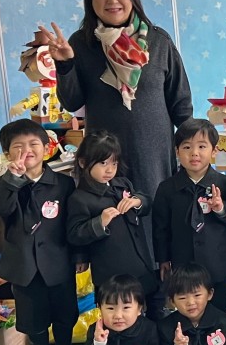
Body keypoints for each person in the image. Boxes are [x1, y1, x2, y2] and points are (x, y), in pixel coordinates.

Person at [42, 0, 193, 239]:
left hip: (153, 160)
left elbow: (181, 106)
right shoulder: (81, 44)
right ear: (90, 0)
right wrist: (64, 65)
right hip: (104, 161)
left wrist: (192, 154)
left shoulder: (158, 41)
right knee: (114, 232)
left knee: (156, 229)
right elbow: (72, 102)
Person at [0, 119, 78, 345]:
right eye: (18, 146)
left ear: (47, 148)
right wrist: (12, 179)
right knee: (32, 316)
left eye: (33, 144)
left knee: (64, 313)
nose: (26, 150)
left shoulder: (63, 183)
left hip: (58, 261)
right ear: (7, 154)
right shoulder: (4, 185)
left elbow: (73, 223)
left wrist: (79, 256)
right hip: (24, 265)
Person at [153, 118, 226, 313]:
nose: (194, 153)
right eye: (186, 147)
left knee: (221, 313)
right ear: (177, 152)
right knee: (187, 311)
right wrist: (163, 259)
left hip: (218, 265)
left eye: (202, 146)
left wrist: (221, 208)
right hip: (182, 263)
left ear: (214, 151)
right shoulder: (167, 188)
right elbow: (160, 227)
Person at [66, 131, 159, 318]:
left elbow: (147, 202)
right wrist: (99, 223)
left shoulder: (122, 184)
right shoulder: (80, 198)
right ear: (83, 163)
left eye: (114, 163)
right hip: (111, 272)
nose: (109, 170)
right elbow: (74, 234)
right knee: (118, 317)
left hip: (140, 264)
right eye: (103, 163)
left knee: (149, 311)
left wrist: (137, 201)